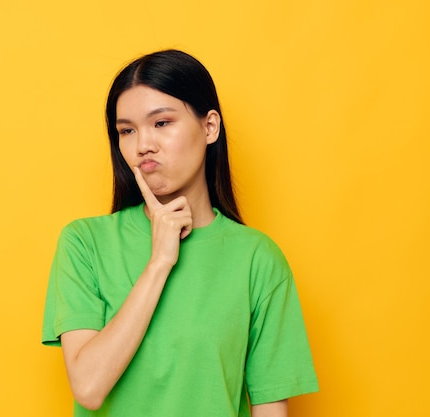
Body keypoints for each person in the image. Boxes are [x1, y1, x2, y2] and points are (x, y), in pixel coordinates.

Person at [42, 49, 318, 417]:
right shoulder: (85, 244)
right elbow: (89, 388)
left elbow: (270, 409)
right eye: (127, 130)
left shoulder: (258, 259)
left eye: (161, 123)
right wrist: (159, 263)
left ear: (209, 127)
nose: (143, 145)